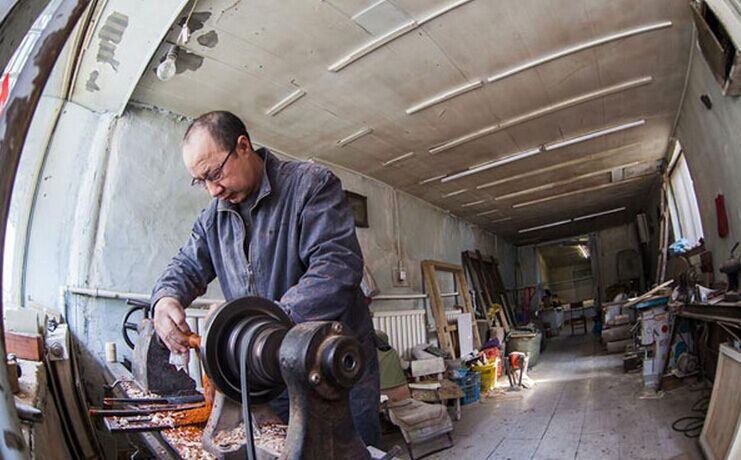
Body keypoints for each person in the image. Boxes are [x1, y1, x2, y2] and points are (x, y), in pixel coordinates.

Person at [150, 110, 381, 447]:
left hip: (333, 365)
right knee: (284, 449)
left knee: (351, 450)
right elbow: (187, 264)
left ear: (243, 146)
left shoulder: (310, 185)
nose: (212, 190)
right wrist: (165, 298)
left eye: (214, 174)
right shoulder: (212, 219)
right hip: (270, 374)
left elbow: (337, 266)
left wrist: (268, 326)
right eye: (201, 181)